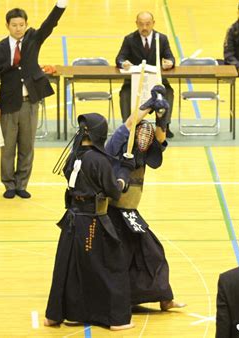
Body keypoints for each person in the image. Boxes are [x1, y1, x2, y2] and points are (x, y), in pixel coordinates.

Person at [45, 113, 136, 331]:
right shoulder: (99, 160)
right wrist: (124, 172)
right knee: (112, 266)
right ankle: (116, 319)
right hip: (93, 222)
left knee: (71, 267)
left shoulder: (73, 155)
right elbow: (114, 191)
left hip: (72, 222)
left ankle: (69, 313)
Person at [105, 86, 186, 311]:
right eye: (141, 133)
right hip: (113, 213)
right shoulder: (116, 146)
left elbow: (160, 141)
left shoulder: (144, 153)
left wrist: (161, 118)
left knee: (149, 253)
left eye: (147, 136)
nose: (144, 138)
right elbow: (129, 124)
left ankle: (163, 299)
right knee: (143, 253)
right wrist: (146, 107)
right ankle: (151, 299)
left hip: (130, 213)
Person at [0, 1, 66, 199]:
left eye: (21, 25)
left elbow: (50, 23)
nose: (18, 28)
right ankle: (9, 185)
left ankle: (22, 183)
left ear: (26, 24)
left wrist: (61, 5)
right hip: (7, 104)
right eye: (14, 25)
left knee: (27, 145)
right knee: (8, 148)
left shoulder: (33, 39)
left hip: (30, 102)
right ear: (7, 26)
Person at [115, 11, 176, 138]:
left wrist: (169, 63)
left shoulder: (162, 38)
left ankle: (165, 125)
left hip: (157, 82)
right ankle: (128, 126)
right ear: (136, 24)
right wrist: (123, 63)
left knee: (168, 92)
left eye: (148, 24)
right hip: (135, 82)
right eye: (141, 24)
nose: (144, 28)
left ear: (153, 23)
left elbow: (170, 57)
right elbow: (120, 58)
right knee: (125, 93)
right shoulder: (129, 39)